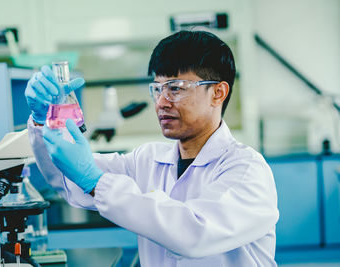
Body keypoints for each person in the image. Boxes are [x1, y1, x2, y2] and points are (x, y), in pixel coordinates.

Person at [25, 30, 279, 266]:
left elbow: (194, 233)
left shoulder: (247, 169)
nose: (161, 102)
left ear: (218, 93)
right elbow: (67, 176)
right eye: (157, 89)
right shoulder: (146, 159)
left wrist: (96, 181)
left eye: (175, 89)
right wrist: (41, 118)